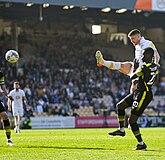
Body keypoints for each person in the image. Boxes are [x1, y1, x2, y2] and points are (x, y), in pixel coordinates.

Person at [0, 69, 14, 146]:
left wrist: (8, 95)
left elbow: (3, 87)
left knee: (5, 116)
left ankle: (9, 140)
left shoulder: (0, 74)